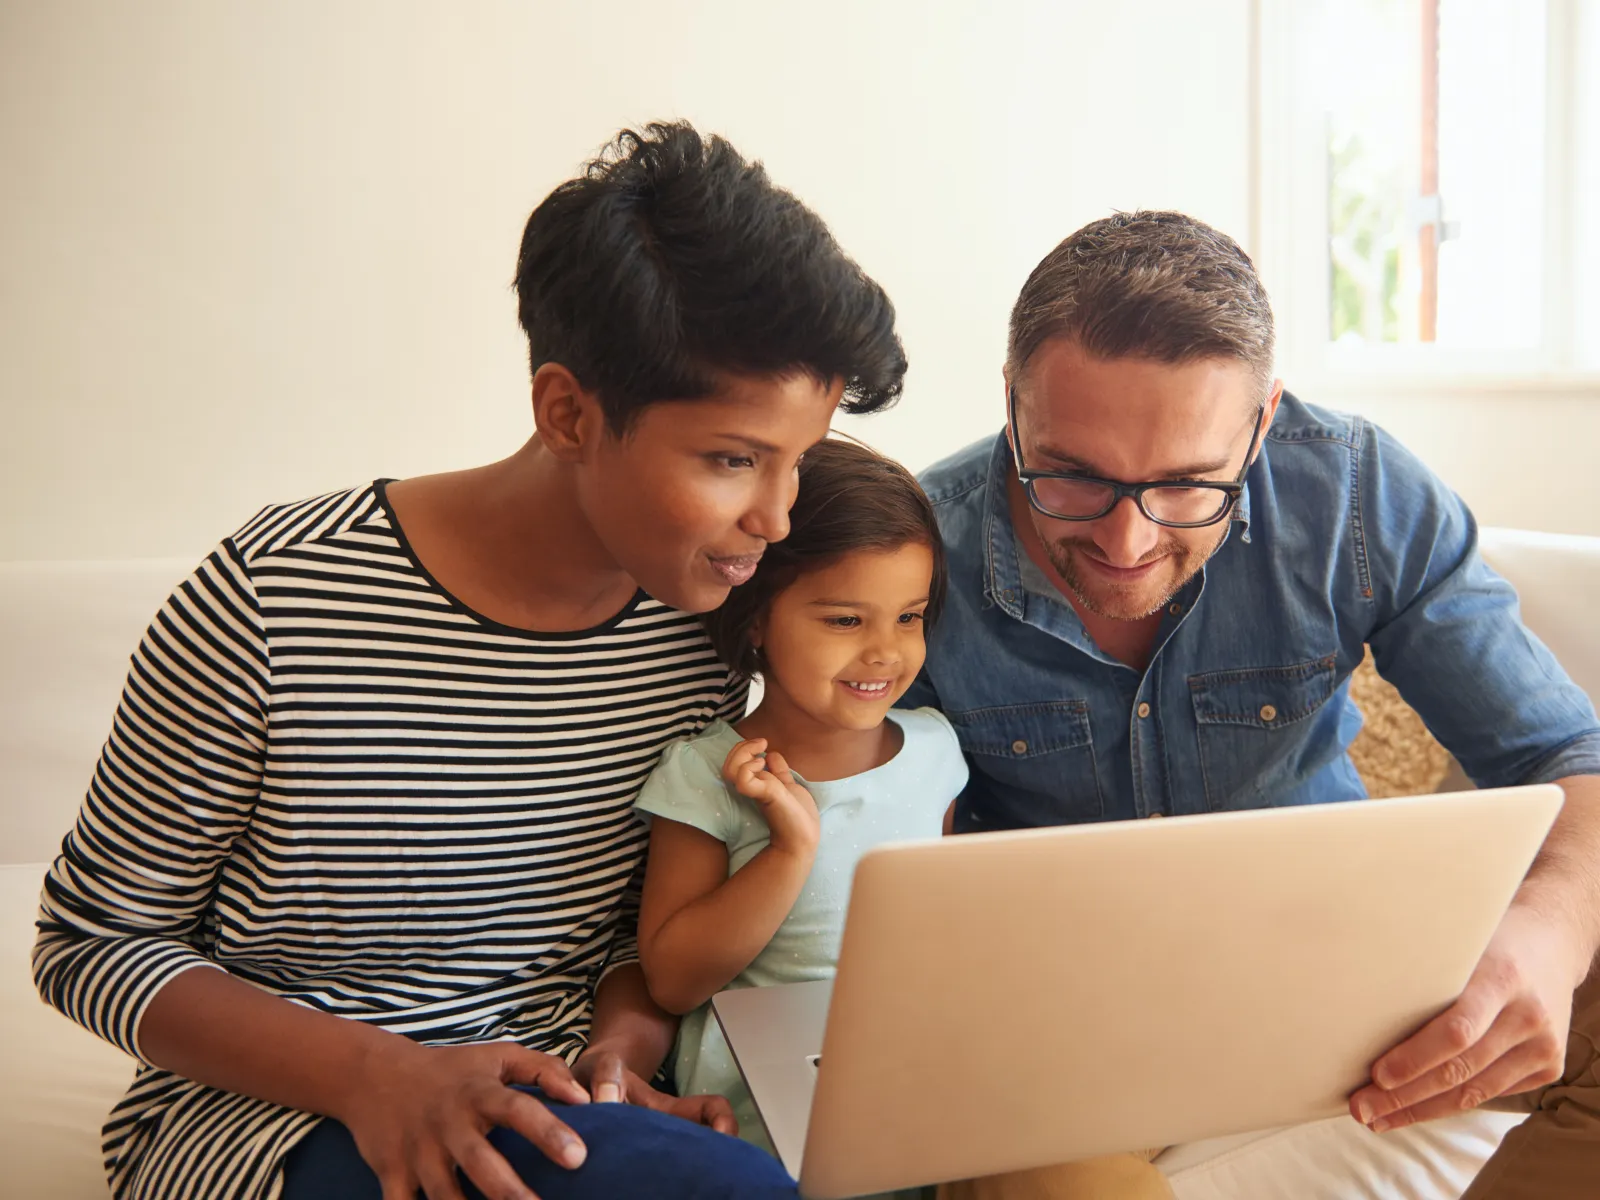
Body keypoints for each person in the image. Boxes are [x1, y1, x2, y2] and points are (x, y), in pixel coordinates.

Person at [31, 121, 907, 1200]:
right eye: (732, 461)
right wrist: (380, 1075)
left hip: (562, 1109)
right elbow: (90, 944)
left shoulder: (697, 631)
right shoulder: (275, 598)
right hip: (263, 1121)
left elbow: (630, 942)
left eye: (798, 463)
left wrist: (623, 1050)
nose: (776, 519)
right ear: (567, 412)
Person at [904, 210, 1600, 1198]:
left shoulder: (1354, 494)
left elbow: (1563, 755)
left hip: (1345, 984)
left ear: (1262, 427)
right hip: (1066, 1036)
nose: (1127, 542)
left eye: (1188, 486)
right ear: (1011, 408)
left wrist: (1551, 932)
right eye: (1071, 476)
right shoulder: (911, 558)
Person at [635, 436, 1173, 1199]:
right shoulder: (707, 774)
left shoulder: (933, 747)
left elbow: (946, 928)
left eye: (910, 617)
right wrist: (788, 853)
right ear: (757, 619)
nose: (885, 653)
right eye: (845, 621)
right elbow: (673, 981)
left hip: (934, 1079)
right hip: (787, 1125)